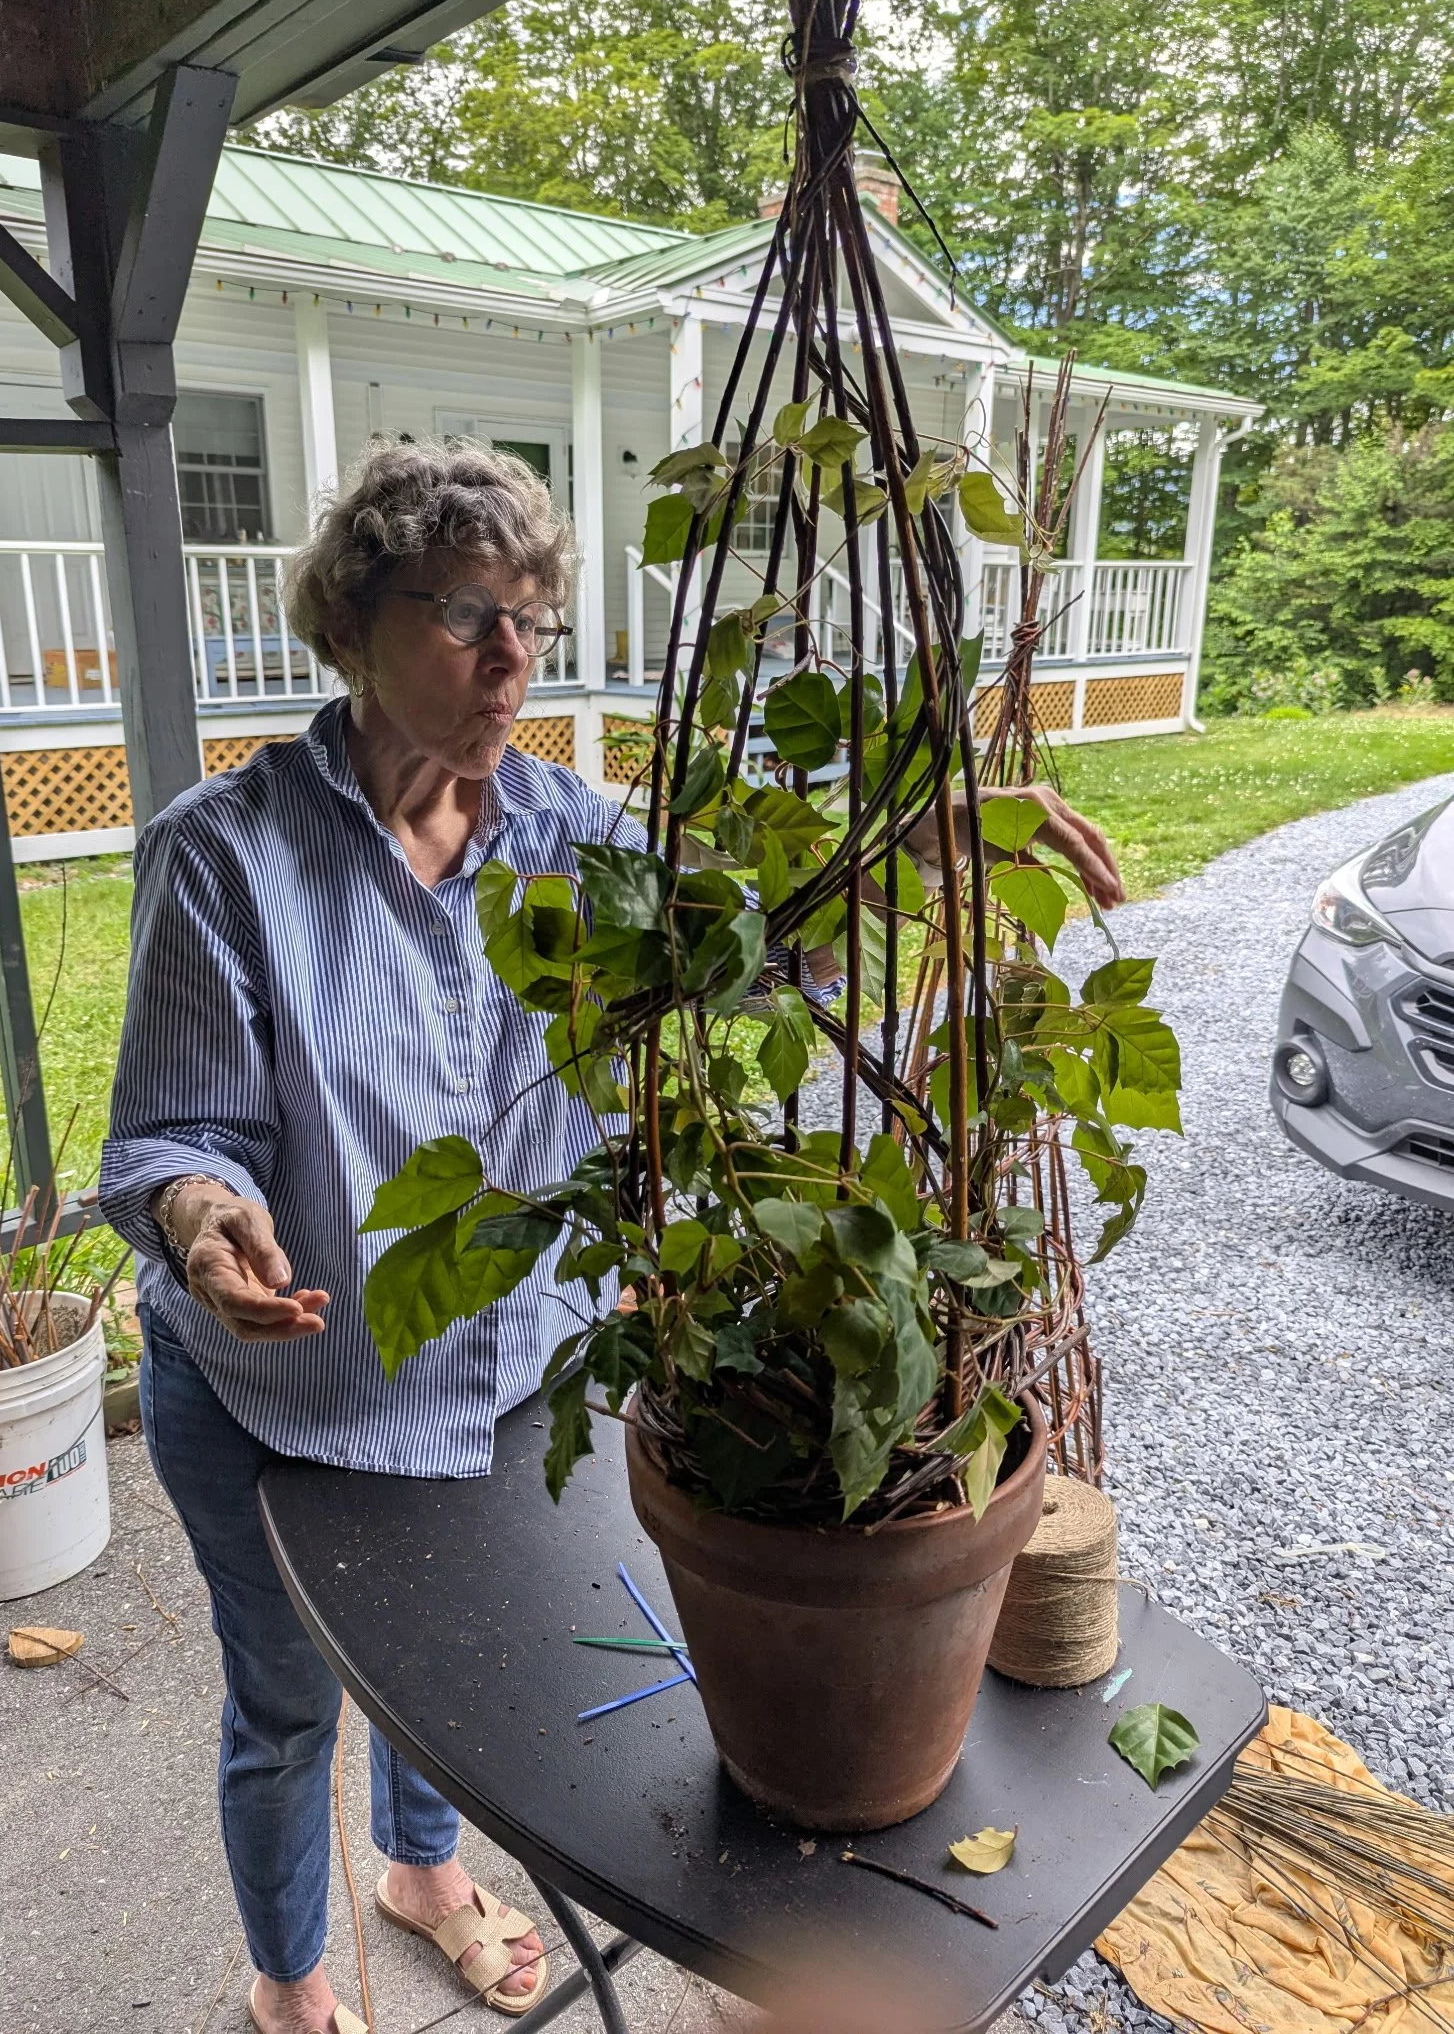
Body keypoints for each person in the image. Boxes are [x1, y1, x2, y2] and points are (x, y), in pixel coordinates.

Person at [100, 437, 1122, 2034]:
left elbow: (751, 938)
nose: (509, 657)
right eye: (459, 614)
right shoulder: (226, 853)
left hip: (497, 1383)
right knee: (290, 1708)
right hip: (285, 1400)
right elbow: (175, 1132)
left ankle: (424, 1876)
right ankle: (290, 1983)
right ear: (352, 624)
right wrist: (199, 1214)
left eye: (530, 618)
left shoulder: (575, 835)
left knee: (450, 1694)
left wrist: (914, 832)